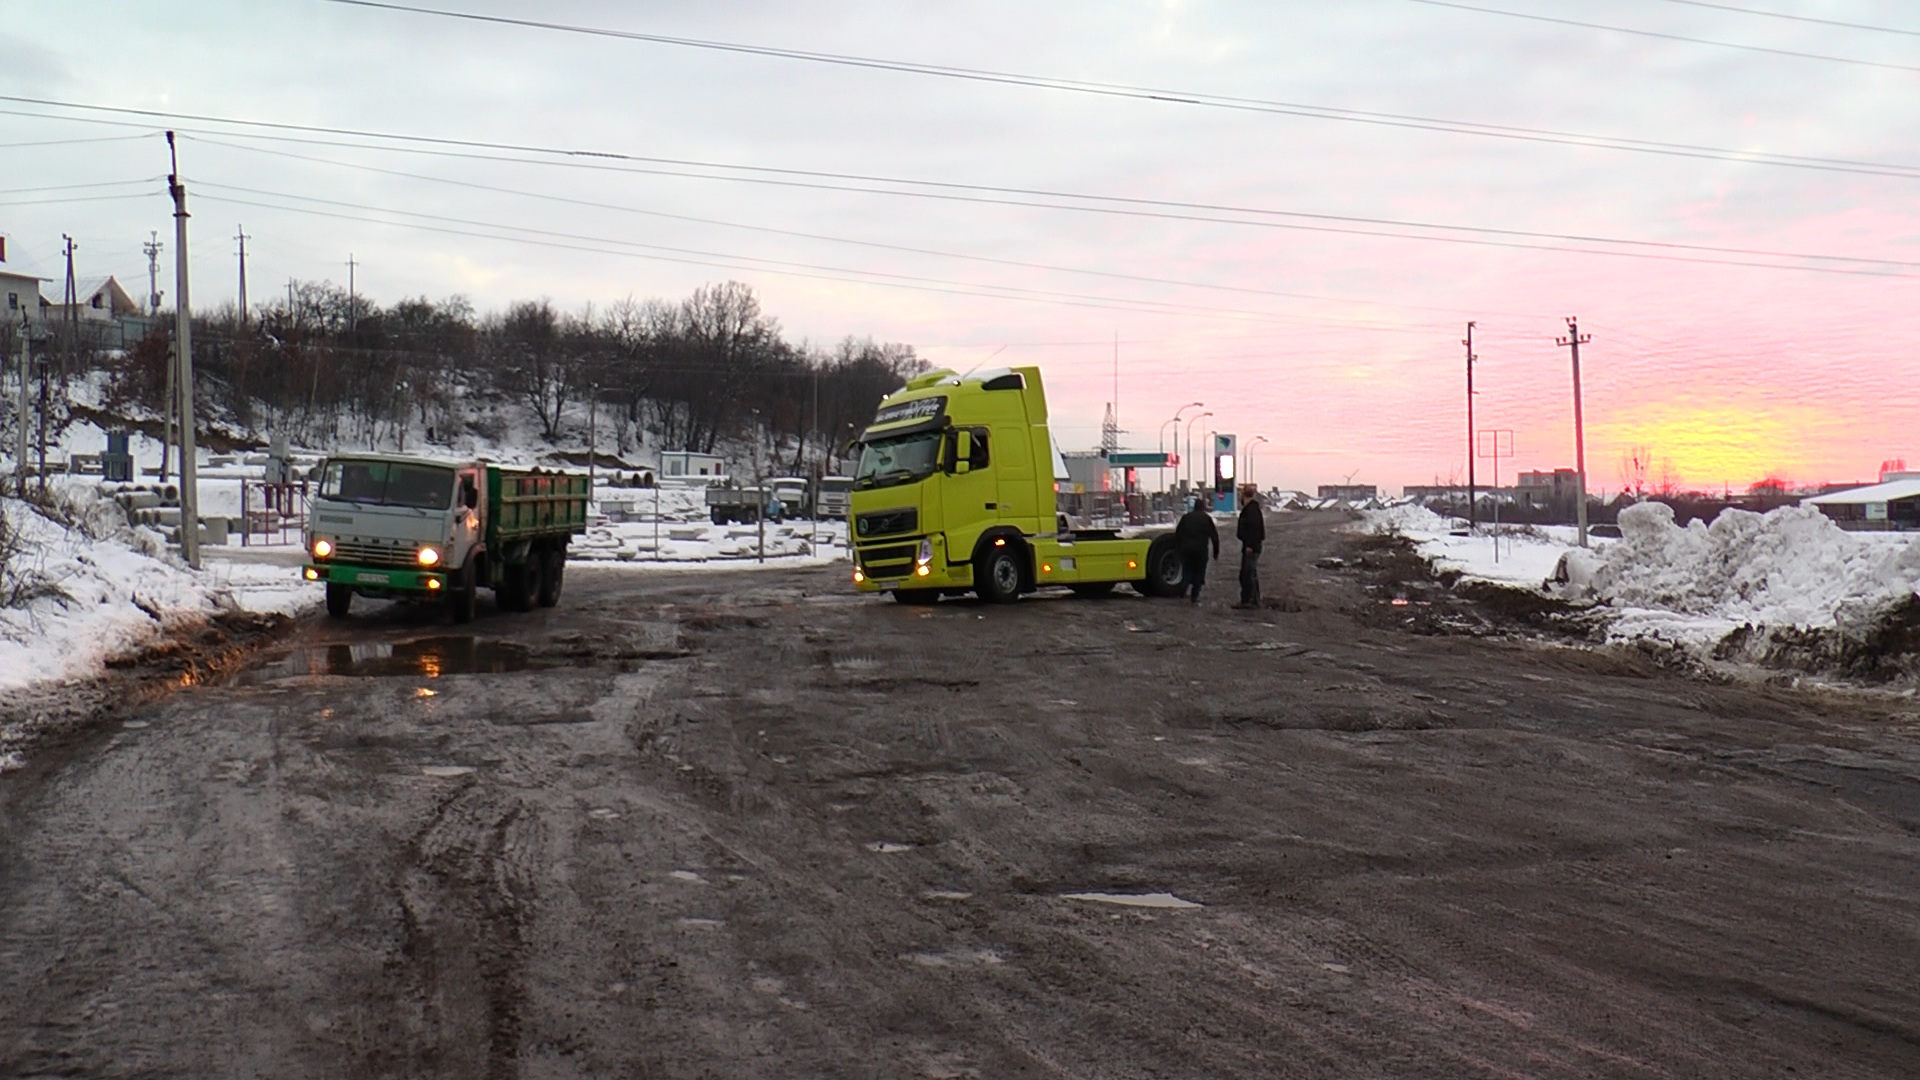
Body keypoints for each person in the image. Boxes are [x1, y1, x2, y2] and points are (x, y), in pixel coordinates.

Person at [1173, 495, 1219, 604]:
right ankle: (1195, 595)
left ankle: (1182, 590)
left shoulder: (1186, 517)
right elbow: (1214, 536)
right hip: (1201, 551)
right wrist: (1216, 552)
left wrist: (1178, 548)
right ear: (1203, 507)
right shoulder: (1206, 519)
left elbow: (1178, 534)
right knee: (1199, 572)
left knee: (1187, 571)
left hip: (1186, 550)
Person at [1235, 494, 1266, 609]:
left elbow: (1254, 530)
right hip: (1251, 546)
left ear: (1244, 497)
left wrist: (1250, 545)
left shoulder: (1251, 510)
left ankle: (1250, 601)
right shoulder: (1252, 509)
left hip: (1251, 547)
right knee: (1249, 573)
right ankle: (1251, 599)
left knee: (1248, 574)